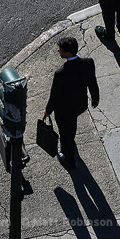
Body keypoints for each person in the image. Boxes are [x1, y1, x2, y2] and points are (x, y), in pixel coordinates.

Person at [43, 37, 99, 170]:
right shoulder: (88, 63)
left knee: (64, 134)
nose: (58, 51)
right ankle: (70, 140)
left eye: (61, 50)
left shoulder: (60, 73)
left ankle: (69, 160)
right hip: (78, 106)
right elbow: (92, 82)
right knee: (72, 126)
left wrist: (48, 110)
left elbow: (54, 96)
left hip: (64, 111)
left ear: (67, 53)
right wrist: (95, 98)